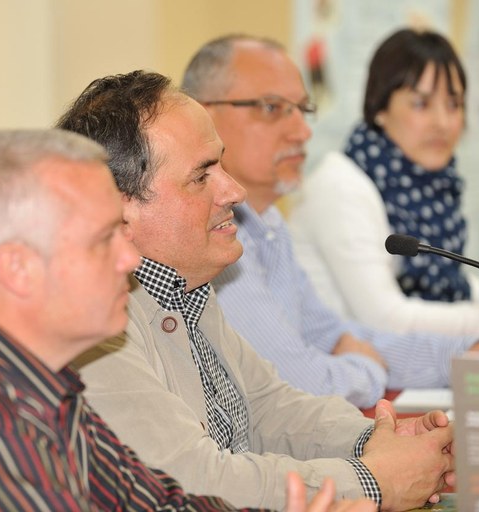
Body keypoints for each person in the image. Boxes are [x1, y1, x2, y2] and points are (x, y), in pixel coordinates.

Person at [0, 128, 359, 511]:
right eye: (105, 239)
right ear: (18, 268)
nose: (130, 260)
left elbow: (162, 501)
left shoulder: (32, 384)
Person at [58, 70, 454, 511]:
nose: (235, 191)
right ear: (121, 208)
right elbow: (194, 479)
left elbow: (268, 408)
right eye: (202, 176)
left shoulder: (186, 287)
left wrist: (384, 440)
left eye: (221, 165)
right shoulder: (91, 321)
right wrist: (374, 480)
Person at [180, 34, 479, 410]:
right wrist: (367, 367)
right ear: (204, 116)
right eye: (272, 108)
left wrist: (463, 355)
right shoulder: (208, 235)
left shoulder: (267, 222)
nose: (303, 132)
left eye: (303, 109)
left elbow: (332, 333)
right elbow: (301, 384)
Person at [287, 28, 479, 339]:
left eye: (454, 104)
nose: (443, 123)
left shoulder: (431, 189)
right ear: (379, 109)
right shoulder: (339, 186)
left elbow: (452, 283)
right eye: (421, 103)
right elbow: (390, 320)